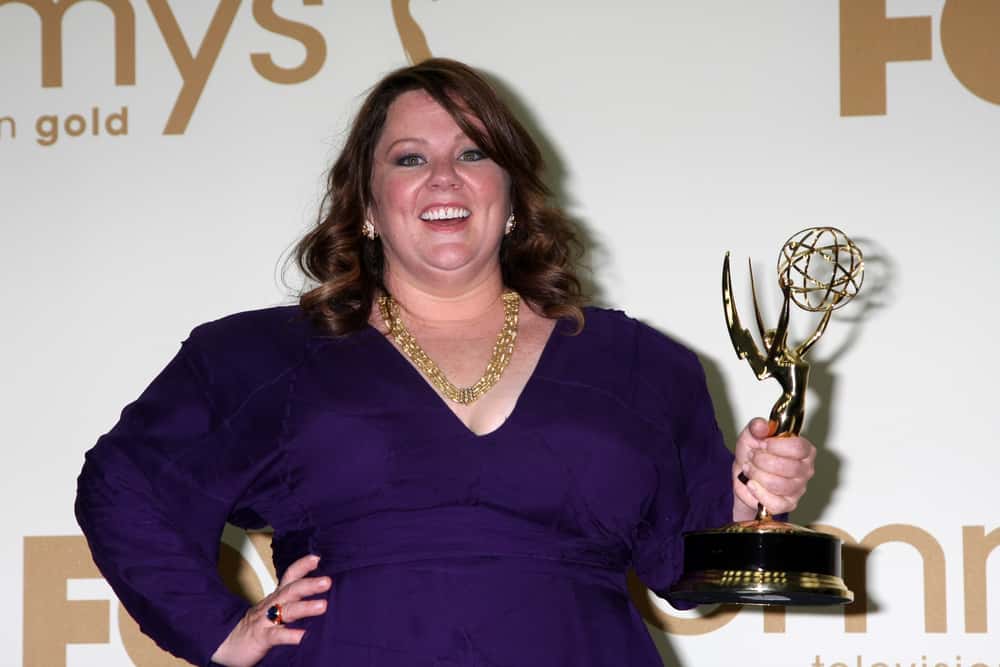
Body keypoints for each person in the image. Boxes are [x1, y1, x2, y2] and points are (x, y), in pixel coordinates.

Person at [76, 58, 816, 667]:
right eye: (409, 158)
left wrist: (749, 497)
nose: (443, 178)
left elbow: (686, 576)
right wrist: (219, 628)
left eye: (472, 153)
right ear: (365, 203)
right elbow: (123, 486)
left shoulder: (641, 365)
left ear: (515, 195)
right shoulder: (261, 356)